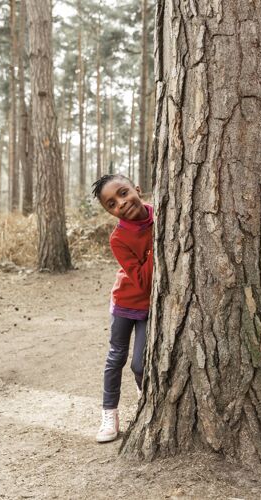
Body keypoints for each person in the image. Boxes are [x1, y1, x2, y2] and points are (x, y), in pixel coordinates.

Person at [90, 174, 154, 443]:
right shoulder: (119, 238)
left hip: (150, 306)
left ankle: (146, 400)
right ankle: (109, 414)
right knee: (116, 358)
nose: (121, 203)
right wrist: (158, 249)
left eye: (124, 193)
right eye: (112, 204)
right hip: (126, 304)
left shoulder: (163, 215)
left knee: (140, 363)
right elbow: (141, 281)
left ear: (137, 189)